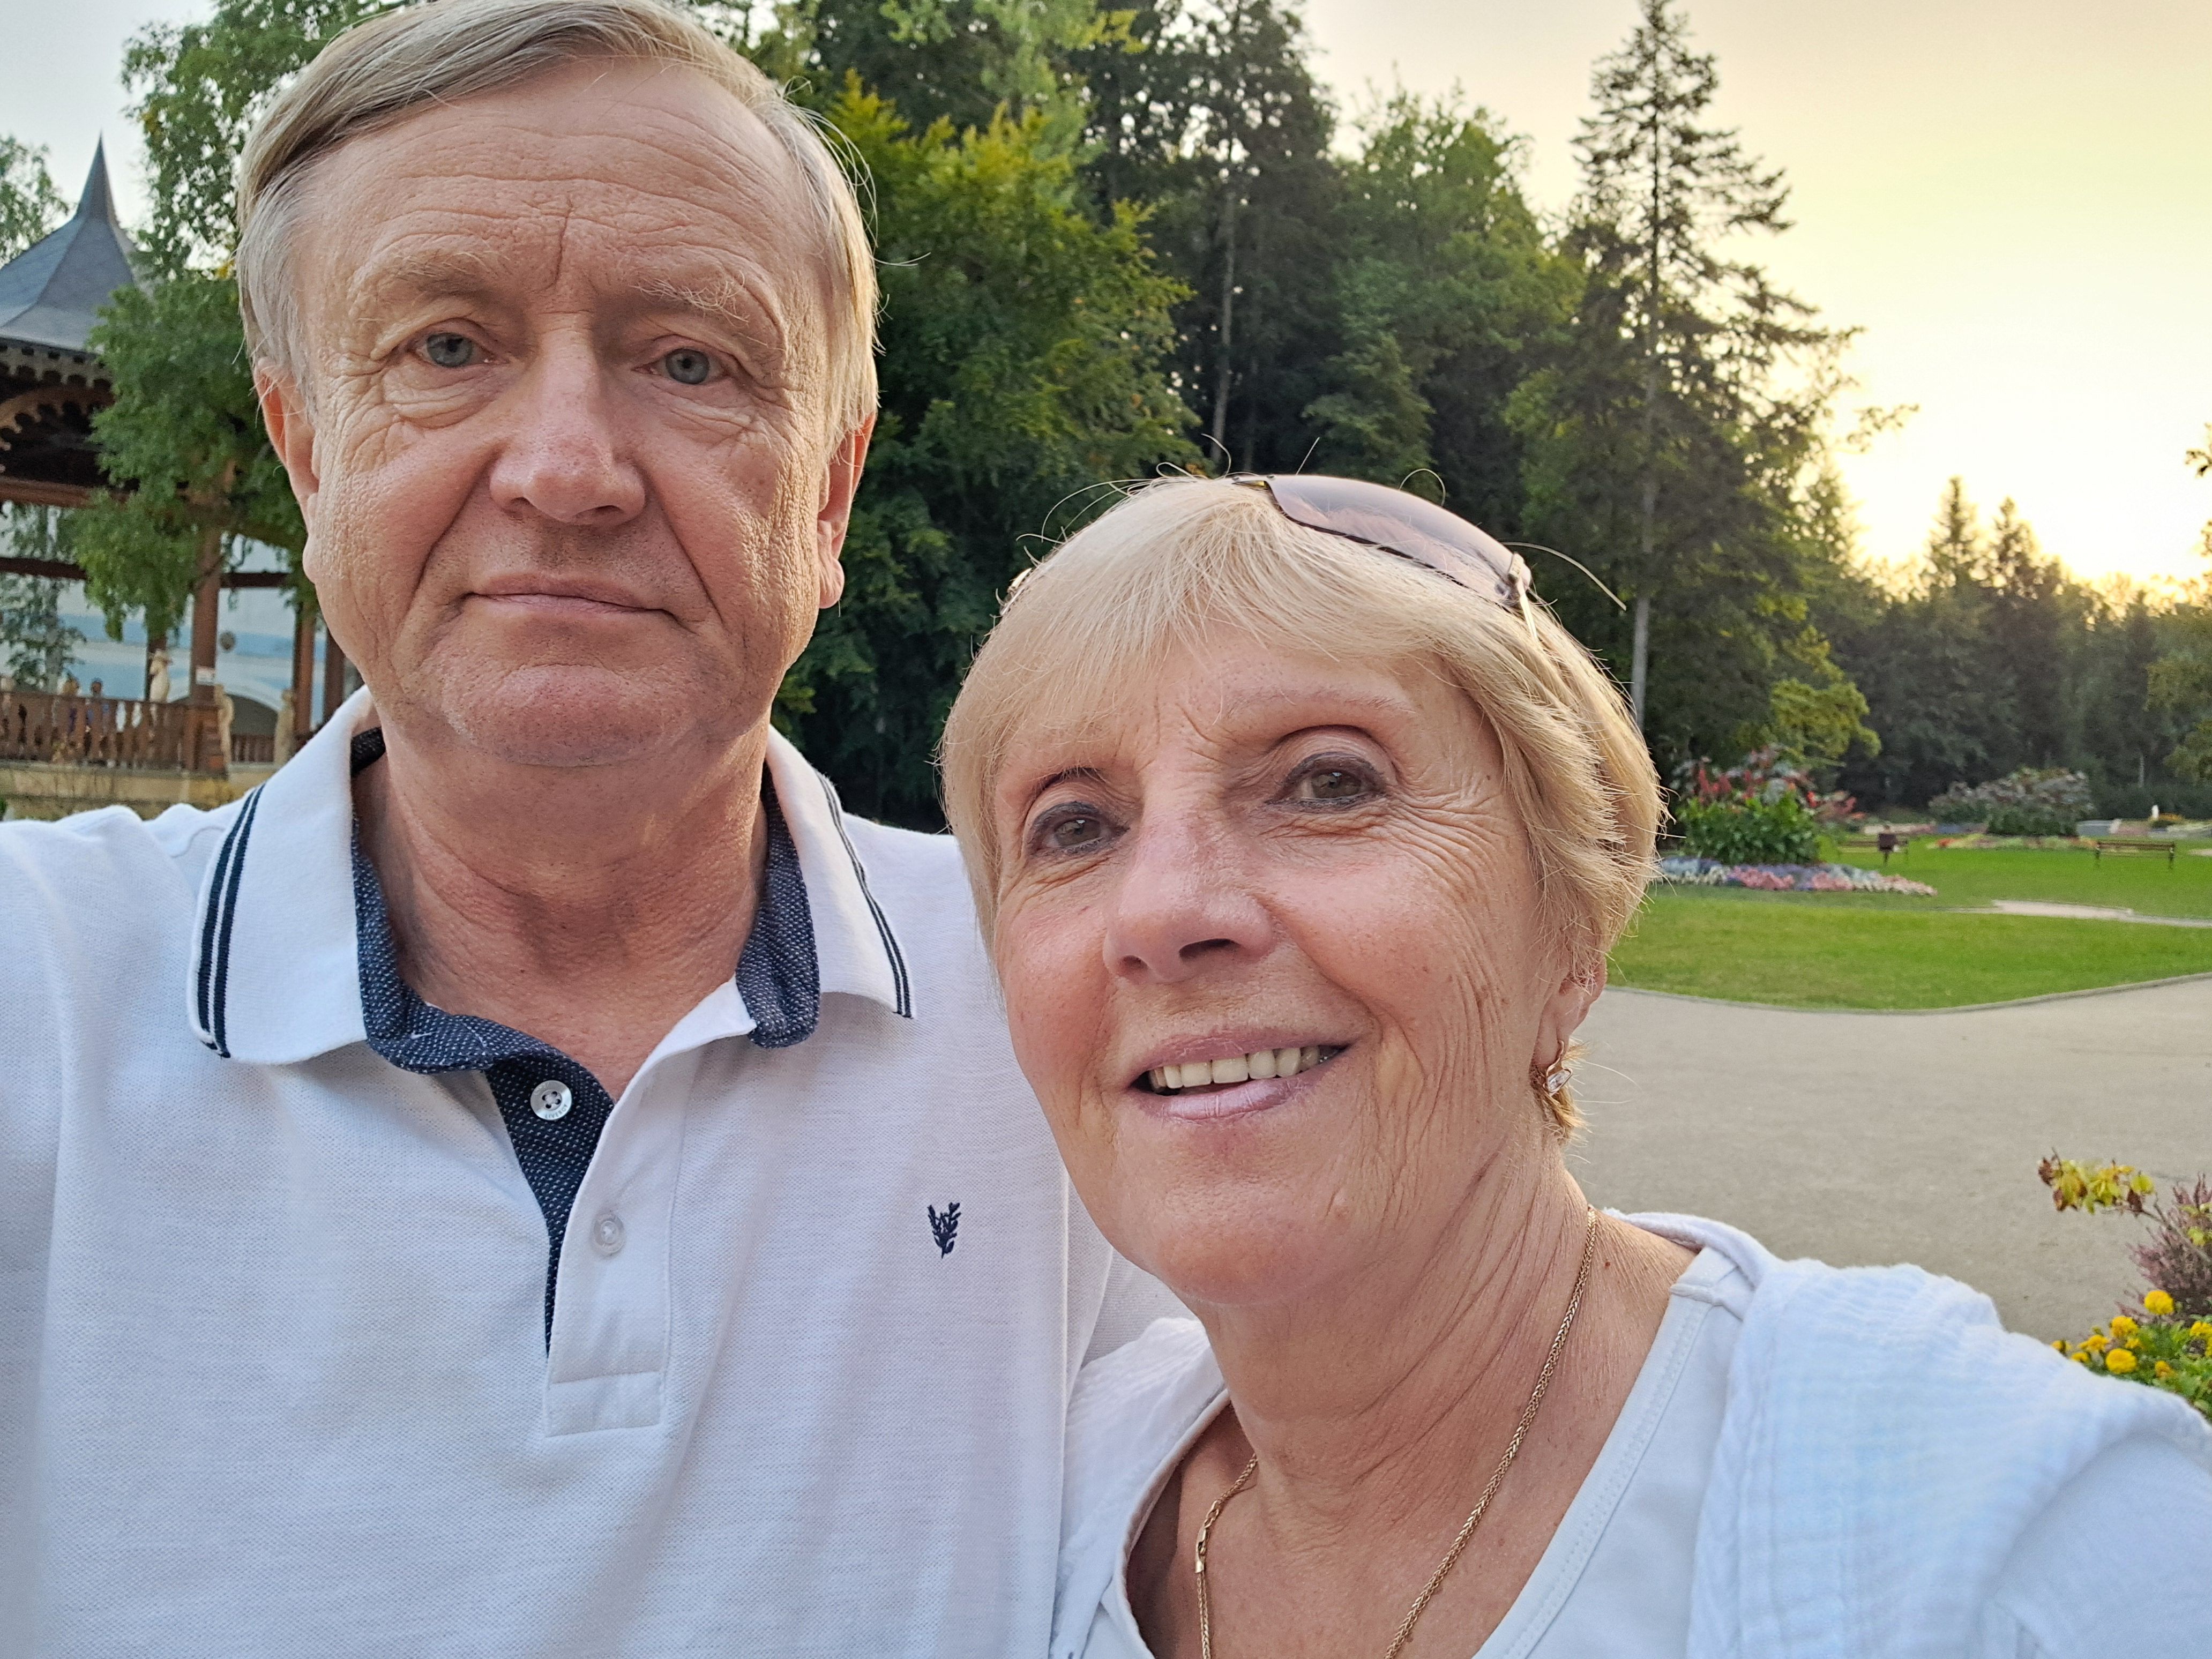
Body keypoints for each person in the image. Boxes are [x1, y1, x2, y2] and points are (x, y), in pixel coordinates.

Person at [0, 2, 1164, 1653]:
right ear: (307, 455)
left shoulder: (1084, 1004)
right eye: (445, 349)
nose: (565, 471)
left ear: (827, 497)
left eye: (691, 361)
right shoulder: (32, 994)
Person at [937, 475, 2212, 1658]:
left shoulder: (2010, 1544)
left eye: (1326, 781)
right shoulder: (1030, 1511)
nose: (1162, 911)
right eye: (1075, 825)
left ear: (1573, 923)